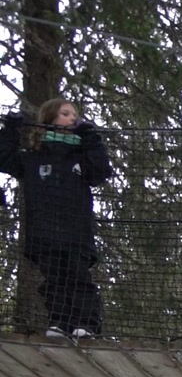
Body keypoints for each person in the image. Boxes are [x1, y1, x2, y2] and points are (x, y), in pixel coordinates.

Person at [0, 97, 111, 340]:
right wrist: (10, 130)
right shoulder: (33, 158)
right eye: (65, 113)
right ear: (50, 119)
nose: (72, 118)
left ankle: (86, 323)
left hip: (76, 232)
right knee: (54, 279)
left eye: (74, 114)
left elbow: (101, 171)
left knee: (78, 277)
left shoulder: (80, 156)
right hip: (44, 232)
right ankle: (60, 322)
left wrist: (90, 138)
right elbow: (4, 159)